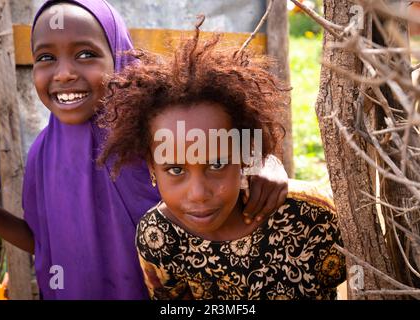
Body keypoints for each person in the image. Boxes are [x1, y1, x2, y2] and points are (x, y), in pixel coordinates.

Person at [0, 1, 288, 299]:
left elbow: (239, 144)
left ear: (118, 53)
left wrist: (266, 164)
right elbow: (45, 240)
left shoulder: (154, 131)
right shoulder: (41, 156)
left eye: (86, 54)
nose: (64, 73)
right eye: (46, 57)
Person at [99, 18, 346, 300]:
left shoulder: (310, 215)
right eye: (176, 169)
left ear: (244, 155)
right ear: (152, 167)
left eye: (216, 165)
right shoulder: (159, 237)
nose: (199, 194)